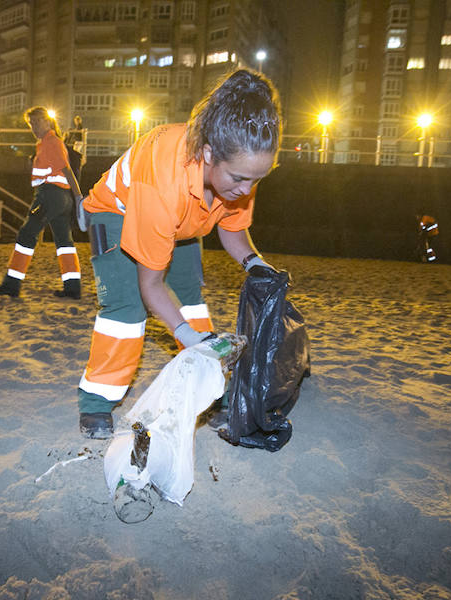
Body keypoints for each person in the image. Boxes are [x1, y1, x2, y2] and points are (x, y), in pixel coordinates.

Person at [75, 69, 283, 439]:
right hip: (120, 211)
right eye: (239, 179)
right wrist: (187, 336)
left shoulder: (238, 167)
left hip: (182, 221)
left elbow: (233, 228)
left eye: (257, 180)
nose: (247, 189)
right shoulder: (163, 179)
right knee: (126, 310)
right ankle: (96, 401)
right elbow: (151, 285)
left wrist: (256, 264)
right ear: (208, 153)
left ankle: (208, 390)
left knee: (191, 302)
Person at [0, 107, 83, 299]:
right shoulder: (50, 143)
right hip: (61, 198)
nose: (34, 127)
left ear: (47, 121)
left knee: (27, 235)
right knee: (64, 242)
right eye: (31, 123)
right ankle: (73, 287)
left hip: (49, 195)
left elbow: (66, 169)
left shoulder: (51, 142)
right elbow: (65, 170)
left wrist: (79, 197)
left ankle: (12, 284)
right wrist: (75, 199)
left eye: (37, 122)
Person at [64, 115, 87, 181]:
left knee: (74, 153)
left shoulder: (79, 127)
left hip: (76, 143)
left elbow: (79, 132)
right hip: (75, 144)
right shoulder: (77, 128)